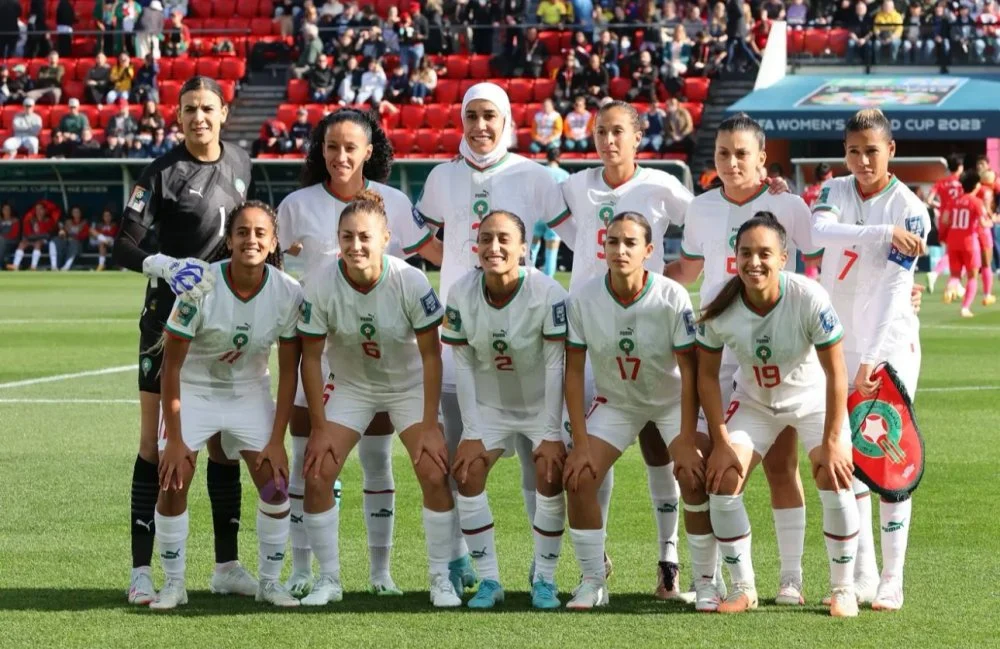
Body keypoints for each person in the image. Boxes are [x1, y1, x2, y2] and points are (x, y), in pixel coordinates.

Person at [277, 108, 442, 598]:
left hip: (388, 355)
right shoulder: (297, 204)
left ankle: (385, 573)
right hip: (324, 351)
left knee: (379, 458)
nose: (341, 156)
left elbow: (434, 254)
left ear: (369, 151)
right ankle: (307, 570)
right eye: (332, 146)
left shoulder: (394, 205)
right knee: (310, 459)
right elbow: (270, 259)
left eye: (351, 147)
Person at [415, 82, 570, 595]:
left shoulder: (534, 174)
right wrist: (457, 267)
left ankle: (542, 571)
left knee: (538, 461)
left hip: (526, 334)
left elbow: (581, 231)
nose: (480, 126)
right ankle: (462, 560)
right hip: (463, 334)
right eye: (472, 115)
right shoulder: (441, 176)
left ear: (506, 121)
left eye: (490, 116)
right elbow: (419, 237)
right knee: (458, 456)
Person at [666, 113, 821, 607]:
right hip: (716, 350)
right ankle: (710, 581)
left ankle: (791, 578)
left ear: (762, 158)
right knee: (703, 468)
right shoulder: (701, 207)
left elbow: (822, 259)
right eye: (722, 153)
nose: (731, 163)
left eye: (741, 154)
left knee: (781, 466)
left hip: (776, 352)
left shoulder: (787, 205)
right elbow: (688, 269)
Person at [112, 76, 255, 606]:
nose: (199, 117)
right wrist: (164, 265)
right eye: (190, 109)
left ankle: (226, 566)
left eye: (208, 108)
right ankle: (141, 572)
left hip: (219, 324)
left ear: (223, 113)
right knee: (154, 444)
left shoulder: (241, 163)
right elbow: (123, 245)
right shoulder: (160, 173)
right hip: (165, 322)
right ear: (178, 116)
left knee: (223, 444)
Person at [560, 100, 701, 600]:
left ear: (638, 137)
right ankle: (594, 567)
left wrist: (681, 273)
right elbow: (556, 224)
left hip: (652, 334)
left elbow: (706, 221)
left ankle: (671, 563)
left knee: (663, 456)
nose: (608, 140)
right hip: (595, 331)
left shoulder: (662, 185)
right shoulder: (574, 186)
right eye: (601, 131)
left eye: (618, 131)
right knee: (583, 459)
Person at [295, 190, 462, 608]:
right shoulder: (321, 282)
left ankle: (440, 578)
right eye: (347, 237)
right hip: (351, 385)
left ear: (386, 238)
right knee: (316, 473)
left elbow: (431, 356)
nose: (355, 245)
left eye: (365, 237)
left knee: (434, 472)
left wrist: (430, 424)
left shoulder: (410, 280)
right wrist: (319, 427)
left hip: (408, 386)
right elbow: (310, 359)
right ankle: (328, 579)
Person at [696, 212, 859, 617]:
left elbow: (837, 372)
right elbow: (706, 376)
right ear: (735, 256)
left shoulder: (808, 296)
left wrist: (834, 439)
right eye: (745, 253)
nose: (754, 262)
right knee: (723, 479)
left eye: (764, 253)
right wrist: (720, 440)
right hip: (755, 401)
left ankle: (842, 588)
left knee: (833, 473)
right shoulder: (718, 301)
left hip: (810, 399)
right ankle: (744, 587)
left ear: (784, 258)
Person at [150, 201, 303, 610]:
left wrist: (277, 440)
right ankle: (174, 584)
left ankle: (270, 583)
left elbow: (289, 373)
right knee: (173, 479)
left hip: (249, 391)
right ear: (229, 240)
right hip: (194, 390)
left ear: (273, 243)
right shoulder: (200, 287)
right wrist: (176, 440)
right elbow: (171, 367)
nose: (251, 239)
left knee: (275, 485)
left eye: (260, 233)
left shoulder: (289, 293)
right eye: (242, 232)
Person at [810, 108, 930, 611]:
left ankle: (892, 579)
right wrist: (881, 234)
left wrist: (873, 359)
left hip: (889, 345)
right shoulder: (834, 191)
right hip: (838, 342)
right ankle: (861, 573)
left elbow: (896, 292)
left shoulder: (911, 209)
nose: (862, 161)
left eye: (872, 151)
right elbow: (819, 233)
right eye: (854, 151)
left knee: (887, 452)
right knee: (847, 454)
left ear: (891, 151)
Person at [443, 210, 569, 609]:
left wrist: (552, 433)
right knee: (466, 472)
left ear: (523, 249)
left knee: (550, 473)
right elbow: (463, 365)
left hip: (541, 405)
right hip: (490, 405)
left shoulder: (548, 293)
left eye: (503, 239)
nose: (493, 247)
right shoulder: (461, 292)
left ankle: (544, 580)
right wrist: (471, 433)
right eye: (485, 239)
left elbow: (556, 366)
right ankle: (489, 581)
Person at [939, 170, 991, 317]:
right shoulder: (976, 202)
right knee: (972, 277)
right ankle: (965, 308)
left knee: (955, 275)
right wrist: (991, 222)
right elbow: (983, 223)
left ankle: (950, 288)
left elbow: (945, 220)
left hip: (953, 241)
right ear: (975, 185)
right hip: (970, 243)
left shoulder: (954, 201)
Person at [7, 200, 59, 271]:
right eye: (37, 209)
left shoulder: (49, 221)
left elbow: (49, 235)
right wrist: (34, 236)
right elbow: (27, 234)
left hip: (44, 242)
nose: (38, 211)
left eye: (41, 209)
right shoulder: (30, 220)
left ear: (45, 211)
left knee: (38, 243)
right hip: (31, 240)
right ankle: (15, 265)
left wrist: (39, 236)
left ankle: (33, 266)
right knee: (22, 244)